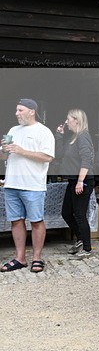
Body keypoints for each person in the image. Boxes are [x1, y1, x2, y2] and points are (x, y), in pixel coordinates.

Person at [0, 99, 55, 273]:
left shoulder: (44, 132)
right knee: (16, 221)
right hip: (11, 183)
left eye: (20, 110)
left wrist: (22, 151)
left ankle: (37, 258)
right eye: (16, 110)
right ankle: (20, 258)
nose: (16, 113)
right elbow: (4, 157)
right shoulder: (13, 130)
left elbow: (48, 157)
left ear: (32, 111)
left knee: (36, 221)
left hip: (33, 185)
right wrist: (3, 150)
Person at [55, 109, 95, 258]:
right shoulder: (73, 137)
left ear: (76, 120)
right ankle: (80, 238)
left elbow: (86, 160)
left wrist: (80, 181)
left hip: (83, 181)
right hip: (73, 180)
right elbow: (59, 154)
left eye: (68, 119)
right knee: (66, 212)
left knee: (79, 214)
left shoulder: (83, 136)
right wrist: (59, 135)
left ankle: (87, 248)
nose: (66, 122)